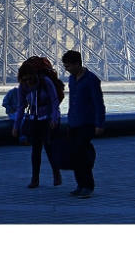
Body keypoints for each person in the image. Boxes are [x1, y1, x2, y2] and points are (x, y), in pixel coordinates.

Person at [61, 50, 105, 199]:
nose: (66, 69)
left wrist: (99, 124)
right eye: (65, 66)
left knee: (81, 155)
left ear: (77, 64)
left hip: (87, 123)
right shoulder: (72, 79)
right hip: (73, 122)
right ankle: (80, 185)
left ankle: (88, 186)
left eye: (68, 66)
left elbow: (98, 103)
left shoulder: (91, 79)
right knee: (75, 155)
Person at [12, 65, 62, 188]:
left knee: (49, 148)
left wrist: (54, 118)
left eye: (30, 79)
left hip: (48, 119)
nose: (28, 82)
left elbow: (55, 101)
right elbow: (21, 107)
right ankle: (35, 179)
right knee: (36, 150)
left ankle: (56, 173)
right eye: (25, 79)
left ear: (35, 76)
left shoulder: (45, 82)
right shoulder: (23, 86)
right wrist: (16, 126)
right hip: (34, 119)